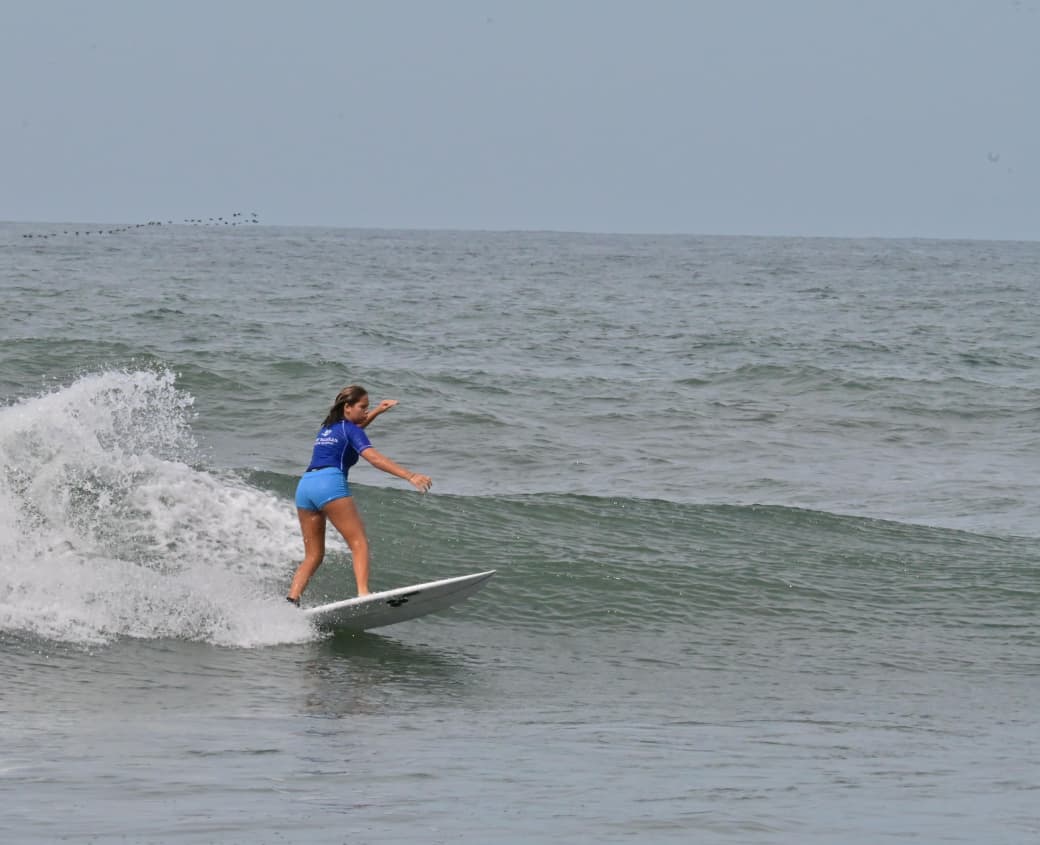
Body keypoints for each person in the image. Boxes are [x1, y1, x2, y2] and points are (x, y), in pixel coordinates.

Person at [287, 385, 432, 605]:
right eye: (363, 407)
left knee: (313, 555)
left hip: (305, 487)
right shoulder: (351, 430)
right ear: (347, 407)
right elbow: (373, 457)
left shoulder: (328, 428)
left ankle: (292, 599)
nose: (366, 411)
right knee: (359, 543)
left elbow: (355, 428)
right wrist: (410, 476)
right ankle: (363, 593)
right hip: (329, 484)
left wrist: (378, 411)